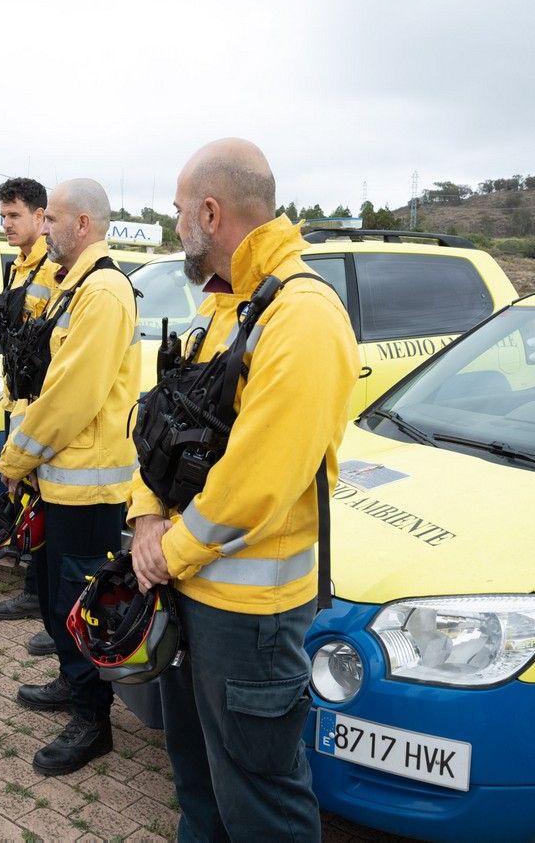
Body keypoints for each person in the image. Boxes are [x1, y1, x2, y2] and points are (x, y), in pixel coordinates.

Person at [128, 139, 359, 840]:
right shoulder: (230, 306)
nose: (174, 229)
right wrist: (144, 518)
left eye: (176, 214)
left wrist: (171, 549)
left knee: (262, 801)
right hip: (189, 592)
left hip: (248, 616)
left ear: (210, 211)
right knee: (196, 781)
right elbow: (164, 421)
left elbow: (260, 476)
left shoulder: (302, 316)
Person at [0, 178, 140, 775]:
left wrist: (15, 458)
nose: (43, 228)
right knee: (60, 602)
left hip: (91, 485)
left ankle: (92, 721)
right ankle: (70, 683)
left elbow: (70, 395)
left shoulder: (102, 292)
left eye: (51, 218)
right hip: (64, 480)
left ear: (82, 224)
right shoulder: (74, 286)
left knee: (82, 605)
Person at [0, 177, 58, 660]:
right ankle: (36, 594)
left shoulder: (54, 271)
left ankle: (55, 617)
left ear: (39, 215)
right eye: (3, 216)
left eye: (14, 216)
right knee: (31, 507)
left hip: (42, 410)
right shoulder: (18, 269)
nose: (6, 224)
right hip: (18, 403)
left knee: (48, 510)